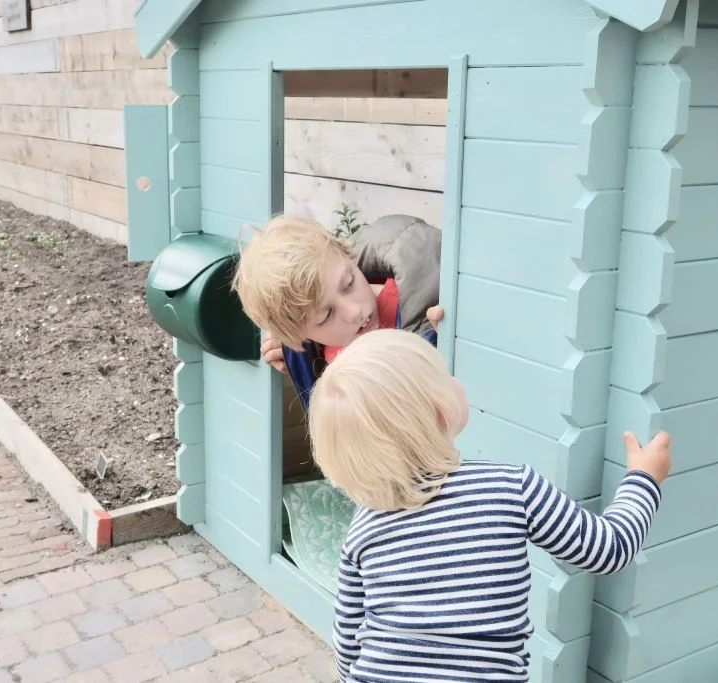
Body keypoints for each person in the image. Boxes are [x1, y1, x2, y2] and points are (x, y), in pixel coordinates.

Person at [307, 328, 672, 683]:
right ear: (440, 413)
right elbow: (609, 549)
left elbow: (348, 641)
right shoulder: (512, 487)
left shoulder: (364, 526)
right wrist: (644, 477)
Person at [232, 213, 443, 410]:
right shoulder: (321, 362)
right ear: (300, 337)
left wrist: (440, 342)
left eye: (349, 283)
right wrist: (296, 362)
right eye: (326, 316)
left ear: (348, 256)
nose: (353, 312)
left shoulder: (420, 310)